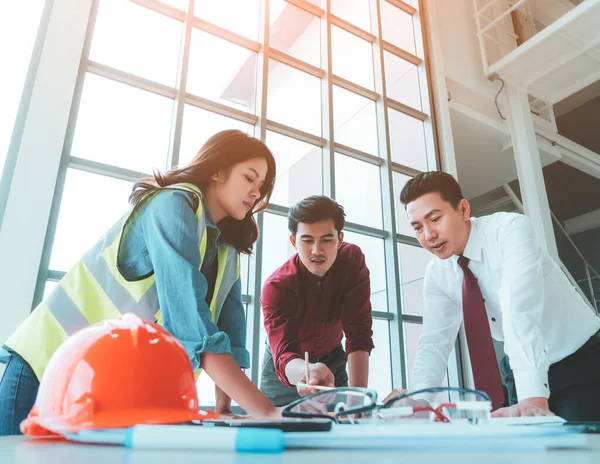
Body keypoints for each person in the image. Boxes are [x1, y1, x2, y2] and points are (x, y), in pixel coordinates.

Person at [0, 129, 280, 435]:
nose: (256, 192)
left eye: (262, 186)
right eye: (249, 178)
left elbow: (231, 335)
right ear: (217, 171)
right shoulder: (172, 205)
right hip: (47, 366)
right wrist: (269, 413)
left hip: (97, 389)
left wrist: (225, 409)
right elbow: (191, 324)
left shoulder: (227, 252)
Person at [400, 171, 600, 421]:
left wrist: (533, 398)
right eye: (418, 227)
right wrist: (420, 401)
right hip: (519, 370)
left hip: (578, 359)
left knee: (580, 452)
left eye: (435, 219)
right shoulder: (438, 273)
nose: (428, 235)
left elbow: (520, 310)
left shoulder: (510, 230)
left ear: (463, 209)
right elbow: (434, 341)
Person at [260, 195, 374, 406]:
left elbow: (359, 333)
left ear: (340, 239)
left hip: (333, 360)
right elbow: (284, 352)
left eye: (326, 240)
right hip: (286, 370)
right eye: (307, 240)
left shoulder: (352, 261)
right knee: (277, 432)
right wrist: (307, 373)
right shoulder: (276, 287)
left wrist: (357, 402)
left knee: (343, 427)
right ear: (294, 241)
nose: (317, 251)